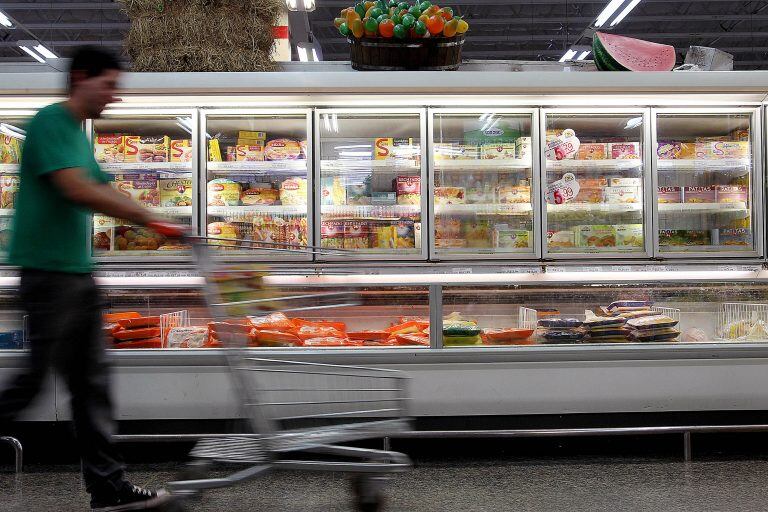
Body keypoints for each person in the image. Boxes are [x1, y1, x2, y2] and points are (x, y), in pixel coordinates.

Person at [0, 46, 185, 511]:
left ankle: (108, 488)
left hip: (77, 275)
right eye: (109, 86)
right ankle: (108, 485)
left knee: (92, 387)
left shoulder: (79, 134)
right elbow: (78, 188)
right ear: (82, 77)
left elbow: (102, 185)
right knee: (33, 383)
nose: (114, 97)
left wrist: (157, 218)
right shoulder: (49, 123)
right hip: (47, 276)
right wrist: (152, 220)